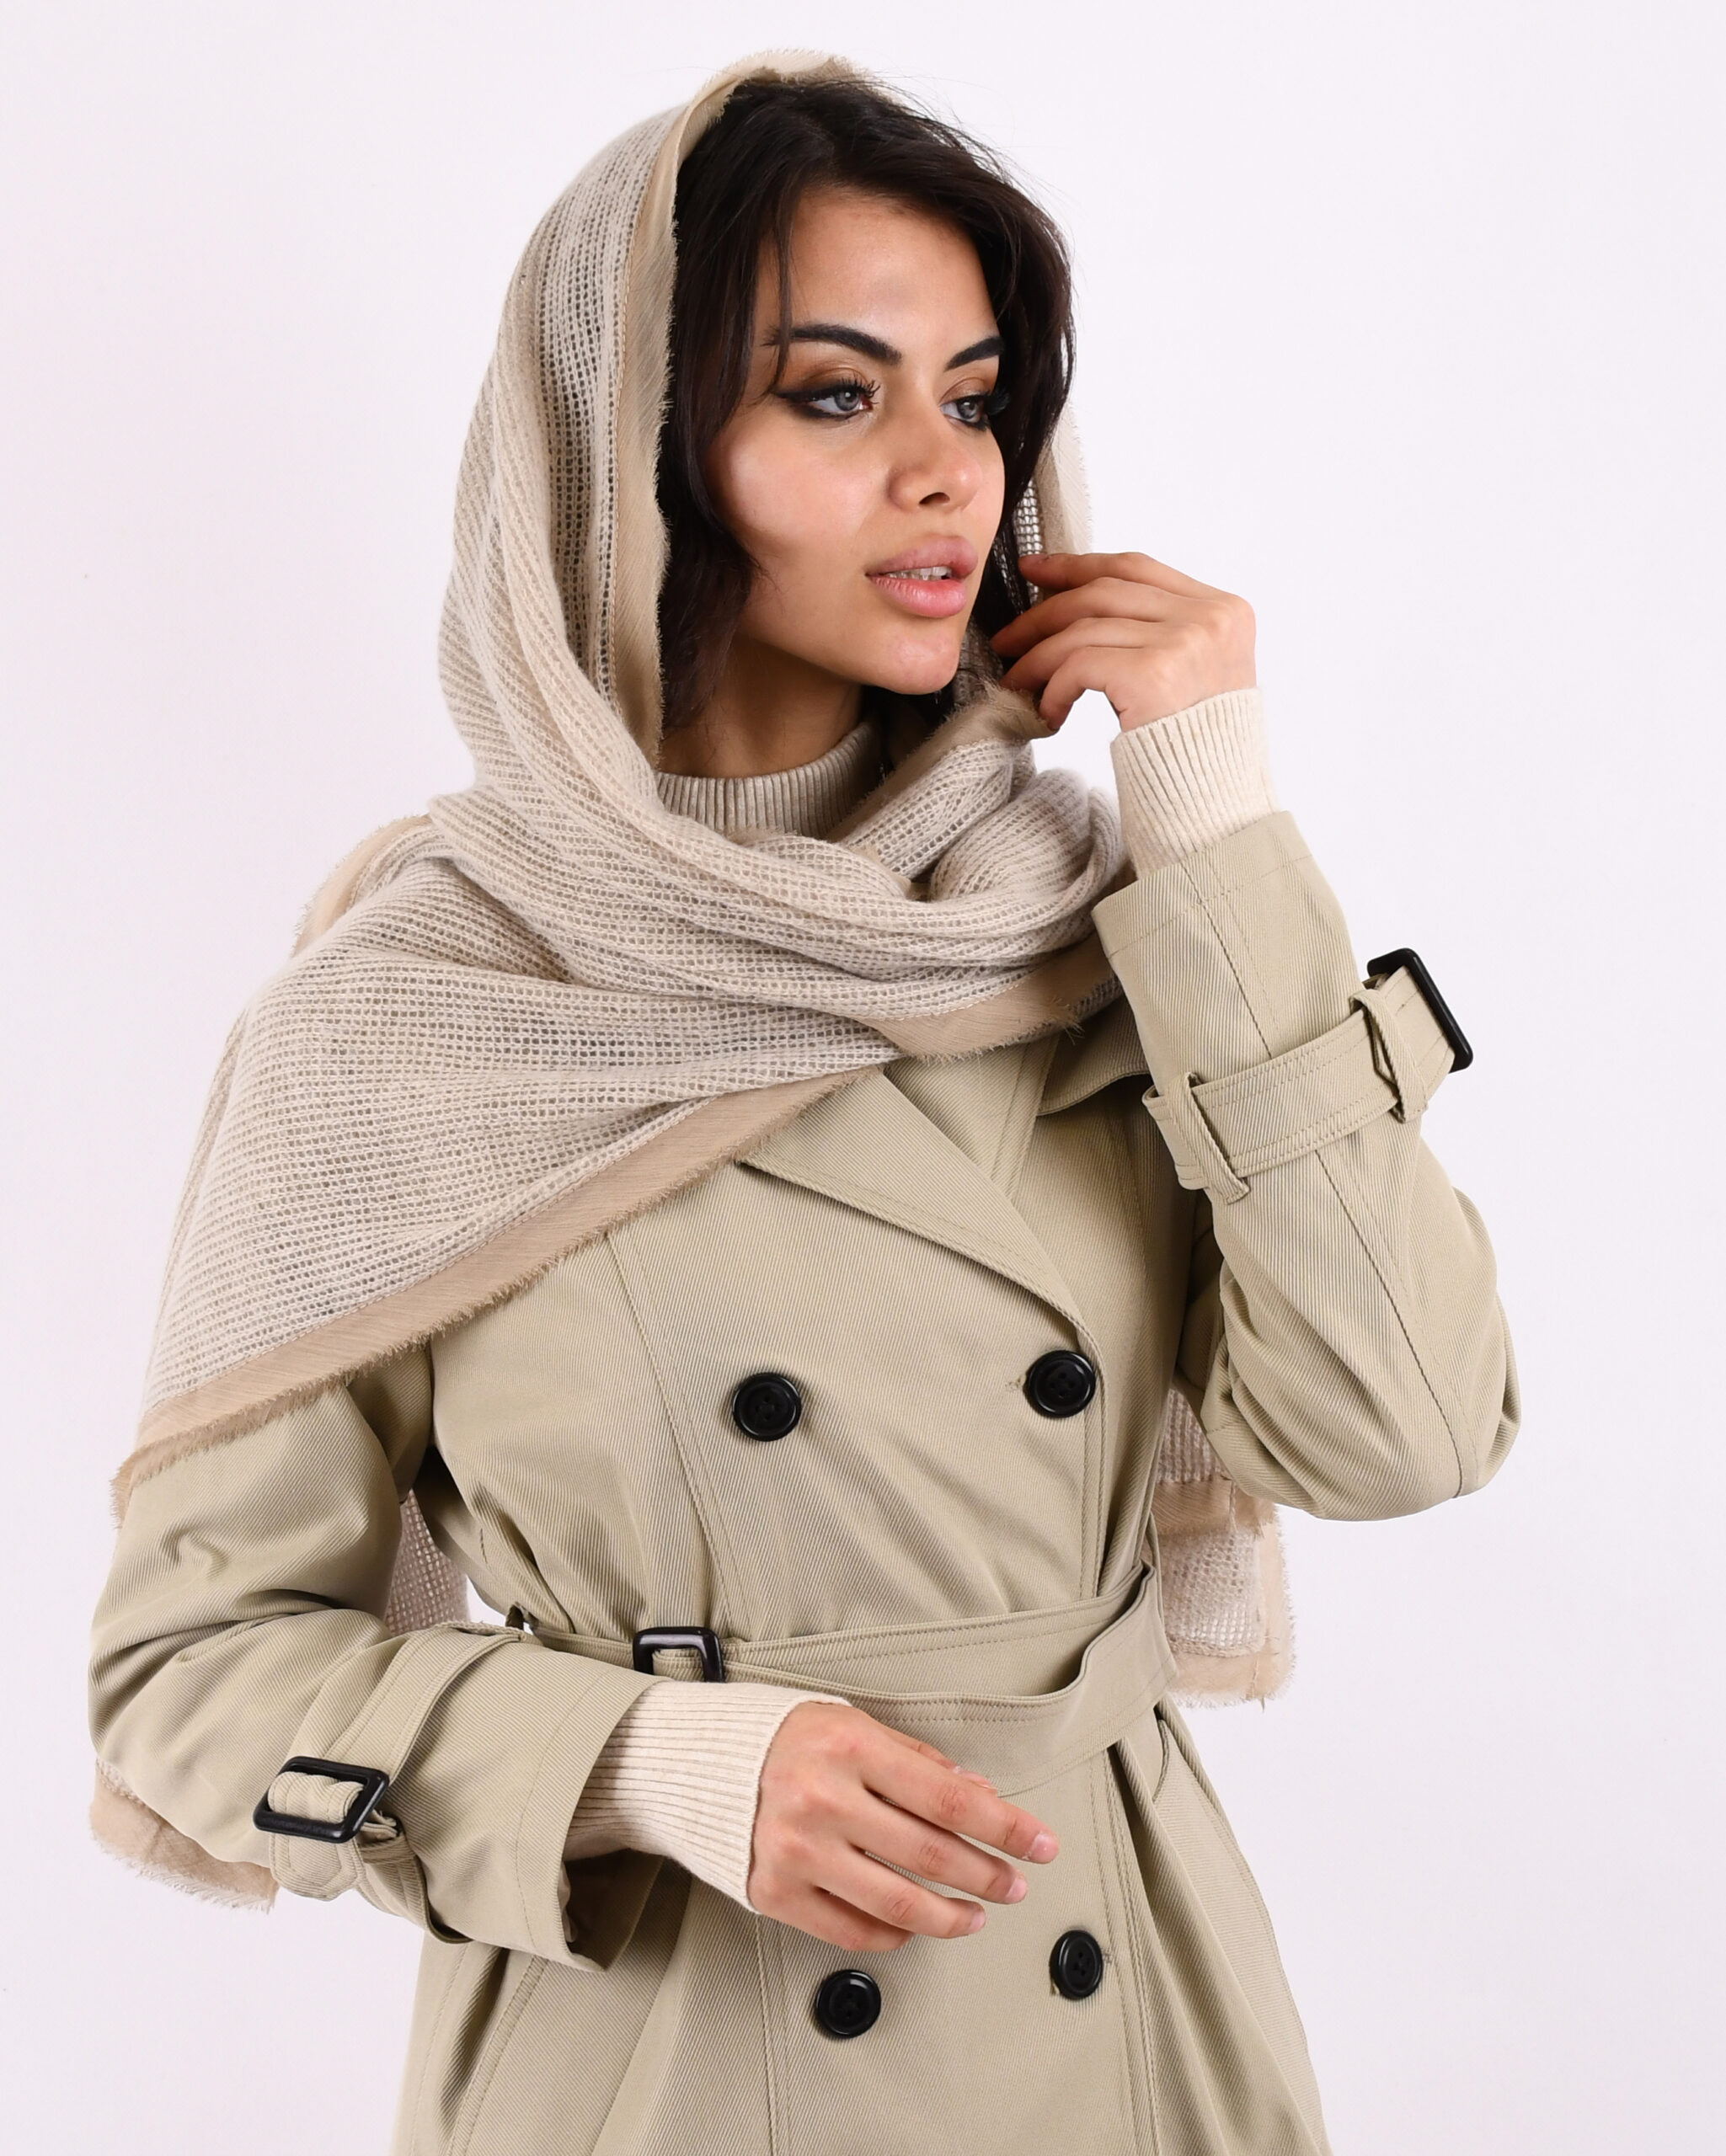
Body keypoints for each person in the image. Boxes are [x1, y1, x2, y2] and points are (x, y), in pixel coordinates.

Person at [88, 53, 1517, 2156]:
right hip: (671, 2050)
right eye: (836, 396)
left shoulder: (1103, 931)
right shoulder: (414, 1019)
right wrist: (646, 1762)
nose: (951, 474)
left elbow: (1403, 1429)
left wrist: (1211, 814)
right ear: (630, 460)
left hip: (1129, 2029)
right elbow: (187, 1678)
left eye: (977, 394)